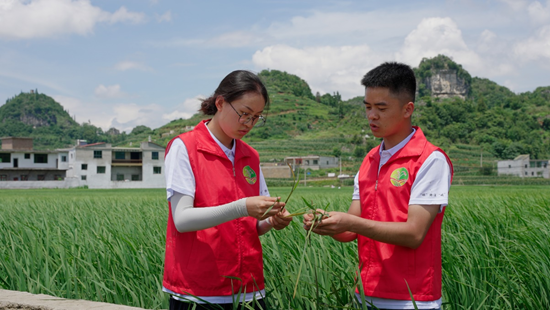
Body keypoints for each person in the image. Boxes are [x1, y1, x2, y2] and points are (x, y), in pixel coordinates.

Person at [303, 62, 453, 310]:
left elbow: (414, 234)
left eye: (381, 108)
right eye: (368, 107)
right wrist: (326, 223)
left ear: (408, 109)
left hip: (411, 300)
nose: (372, 115)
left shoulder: (429, 160)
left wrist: (350, 223)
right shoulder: (370, 160)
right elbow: (350, 231)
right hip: (365, 294)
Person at [163, 70, 292, 310]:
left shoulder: (250, 155)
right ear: (221, 103)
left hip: (249, 289)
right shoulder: (186, 147)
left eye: (256, 117)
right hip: (199, 293)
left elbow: (249, 227)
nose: (249, 123)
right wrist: (242, 206)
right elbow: (182, 219)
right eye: (244, 113)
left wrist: (271, 222)